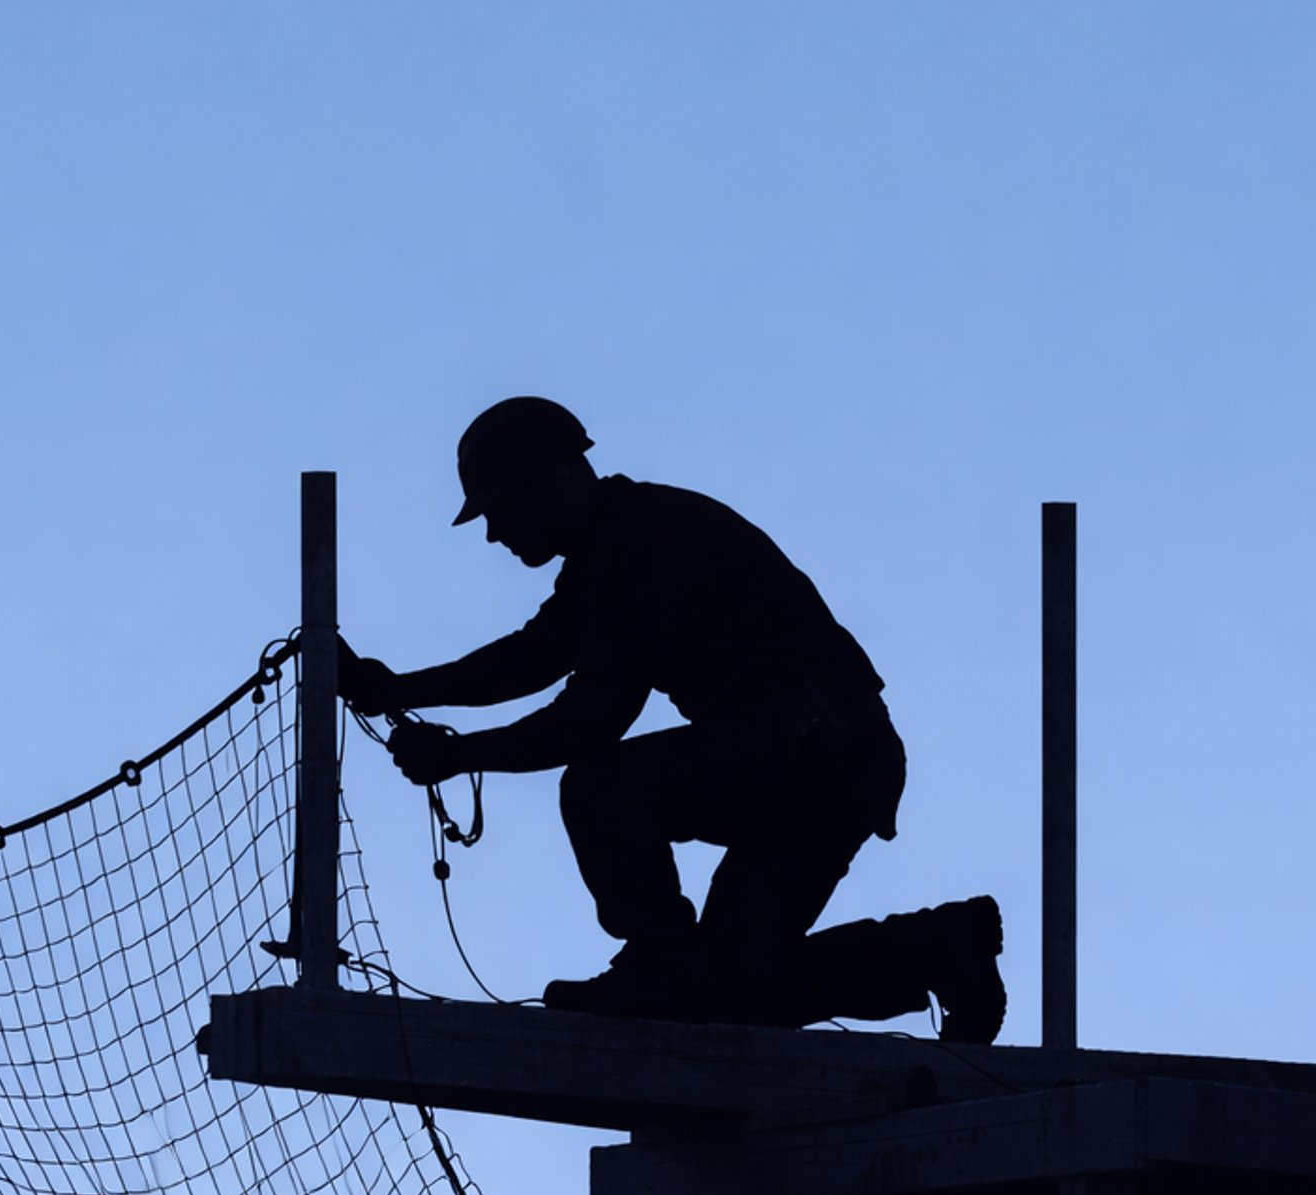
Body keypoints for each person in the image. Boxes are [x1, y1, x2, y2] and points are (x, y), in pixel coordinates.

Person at [340, 397, 1006, 1041]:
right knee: (724, 995)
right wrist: (399, 687)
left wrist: (461, 754)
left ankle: (657, 957)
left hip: (817, 754)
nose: (496, 531)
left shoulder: (642, 543)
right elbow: (535, 655)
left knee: (601, 785)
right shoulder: (611, 548)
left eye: (506, 505)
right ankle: (939, 949)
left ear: (563, 476)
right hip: (822, 760)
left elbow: (592, 719)